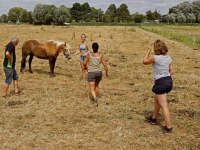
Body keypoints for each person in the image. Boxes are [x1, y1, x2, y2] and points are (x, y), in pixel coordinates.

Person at [143, 40, 174, 133]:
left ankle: (168, 127)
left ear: (155, 48)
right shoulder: (169, 58)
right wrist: (163, 76)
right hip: (168, 81)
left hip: (161, 83)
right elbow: (171, 71)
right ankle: (153, 118)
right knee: (157, 100)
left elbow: (144, 61)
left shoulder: (155, 58)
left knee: (164, 106)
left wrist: (148, 50)